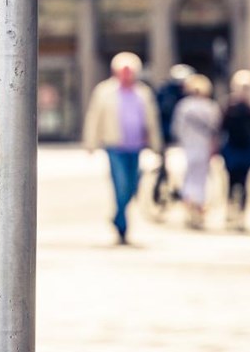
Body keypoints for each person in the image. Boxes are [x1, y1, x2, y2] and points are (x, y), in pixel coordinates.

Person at [83, 52, 163, 244]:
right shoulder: (104, 91)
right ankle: (122, 226)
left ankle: (117, 217)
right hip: (115, 146)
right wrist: (91, 142)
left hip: (136, 146)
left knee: (133, 184)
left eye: (130, 72)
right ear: (116, 72)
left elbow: (152, 120)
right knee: (121, 185)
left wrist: (156, 144)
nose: (127, 75)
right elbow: (94, 117)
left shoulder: (143, 92)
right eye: (124, 71)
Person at [171, 74, 222, 229]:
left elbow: (177, 128)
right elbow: (216, 129)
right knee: (200, 178)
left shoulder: (184, 106)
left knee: (188, 176)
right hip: (204, 146)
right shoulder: (211, 107)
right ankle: (198, 208)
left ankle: (190, 206)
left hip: (188, 145)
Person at [220, 70, 250, 231]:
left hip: (246, 151)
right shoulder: (229, 106)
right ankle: (231, 211)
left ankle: (242, 215)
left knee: (245, 184)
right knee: (231, 182)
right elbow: (222, 127)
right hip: (232, 149)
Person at [152, 63, 195, 210]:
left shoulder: (179, 94)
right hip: (168, 135)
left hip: (176, 136)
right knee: (166, 166)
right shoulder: (169, 94)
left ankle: (175, 190)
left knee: (174, 166)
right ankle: (162, 191)